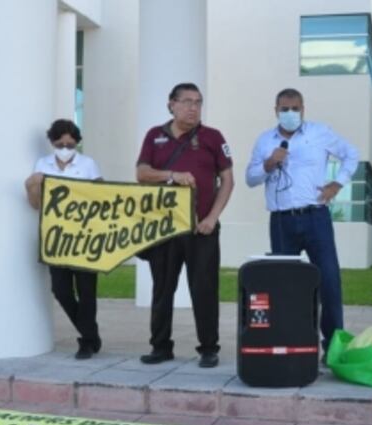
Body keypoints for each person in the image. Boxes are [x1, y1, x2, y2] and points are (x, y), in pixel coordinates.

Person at [245, 88, 359, 359]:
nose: (290, 114)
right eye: (284, 109)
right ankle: (294, 343)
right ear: (275, 110)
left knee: (329, 281)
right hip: (282, 221)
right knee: (287, 286)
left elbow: (351, 154)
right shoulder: (264, 141)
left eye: (295, 108)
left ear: (303, 109)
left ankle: (333, 348)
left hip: (315, 217)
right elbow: (250, 178)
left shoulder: (320, 132)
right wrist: (269, 163)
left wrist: (337, 183)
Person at [135, 83, 235, 369]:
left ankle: (208, 348)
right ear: (172, 104)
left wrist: (212, 218)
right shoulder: (155, 136)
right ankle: (160, 346)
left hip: (201, 228)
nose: (193, 107)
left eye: (198, 102)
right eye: (187, 101)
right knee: (162, 288)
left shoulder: (212, 137)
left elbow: (227, 180)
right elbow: (141, 173)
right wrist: (172, 175)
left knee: (204, 289)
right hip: (164, 229)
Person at [24, 119, 103, 359]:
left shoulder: (88, 164)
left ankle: (87, 341)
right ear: (52, 143)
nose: (65, 148)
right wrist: (31, 185)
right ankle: (90, 333)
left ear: (77, 142)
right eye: (60, 143)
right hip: (56, 236)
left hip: (84, 235)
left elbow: (102, 197)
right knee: (61, 289)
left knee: (87, 291)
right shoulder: (43, 164)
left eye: (70, 143)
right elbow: (36, 204)